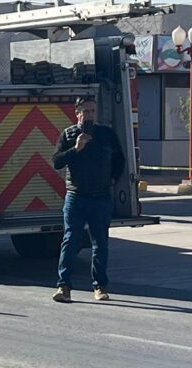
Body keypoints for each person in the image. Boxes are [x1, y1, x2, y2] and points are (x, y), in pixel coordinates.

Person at [51, 95, 125, 303]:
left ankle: (100, 286)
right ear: (77, 113)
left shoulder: (106, 134)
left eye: (93, 111)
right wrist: (76, 149)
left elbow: (120, 160)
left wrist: (112, 179)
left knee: (100, 243)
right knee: (70, 241)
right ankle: (64, 287)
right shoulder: (68, 134)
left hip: (100, 197)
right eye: (86, 111)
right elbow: (56, 161)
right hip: (76, 197)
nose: (90, 115)